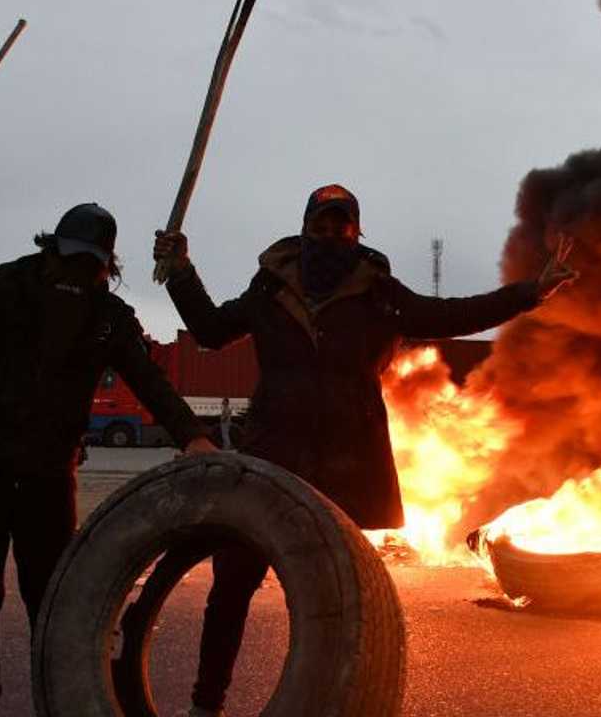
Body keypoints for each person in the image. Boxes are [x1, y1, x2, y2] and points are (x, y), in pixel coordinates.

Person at [153, 183, 575, 716]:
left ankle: (334, 701)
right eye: (321, 225)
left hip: (344, 467)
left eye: (341, 225)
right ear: (305, 228)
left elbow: (449, 315)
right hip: (272, 453)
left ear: (356, 232)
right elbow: (211, 331)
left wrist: (528, 293)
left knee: (336, 598)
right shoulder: (269, 287)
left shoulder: (378, 293)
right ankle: (204, 704)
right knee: (233, 581)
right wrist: (180, 273)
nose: (330, 235)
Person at [0, 203, 218, 717]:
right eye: (71, 260)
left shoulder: (105, 317)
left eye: (89, 265)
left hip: (43, 481)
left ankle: (53, 705)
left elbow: (150, 382)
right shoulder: (14, 286)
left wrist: (193, 437)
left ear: (105, 266)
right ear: (51, 249)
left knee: (51, 607)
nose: (76, 275)